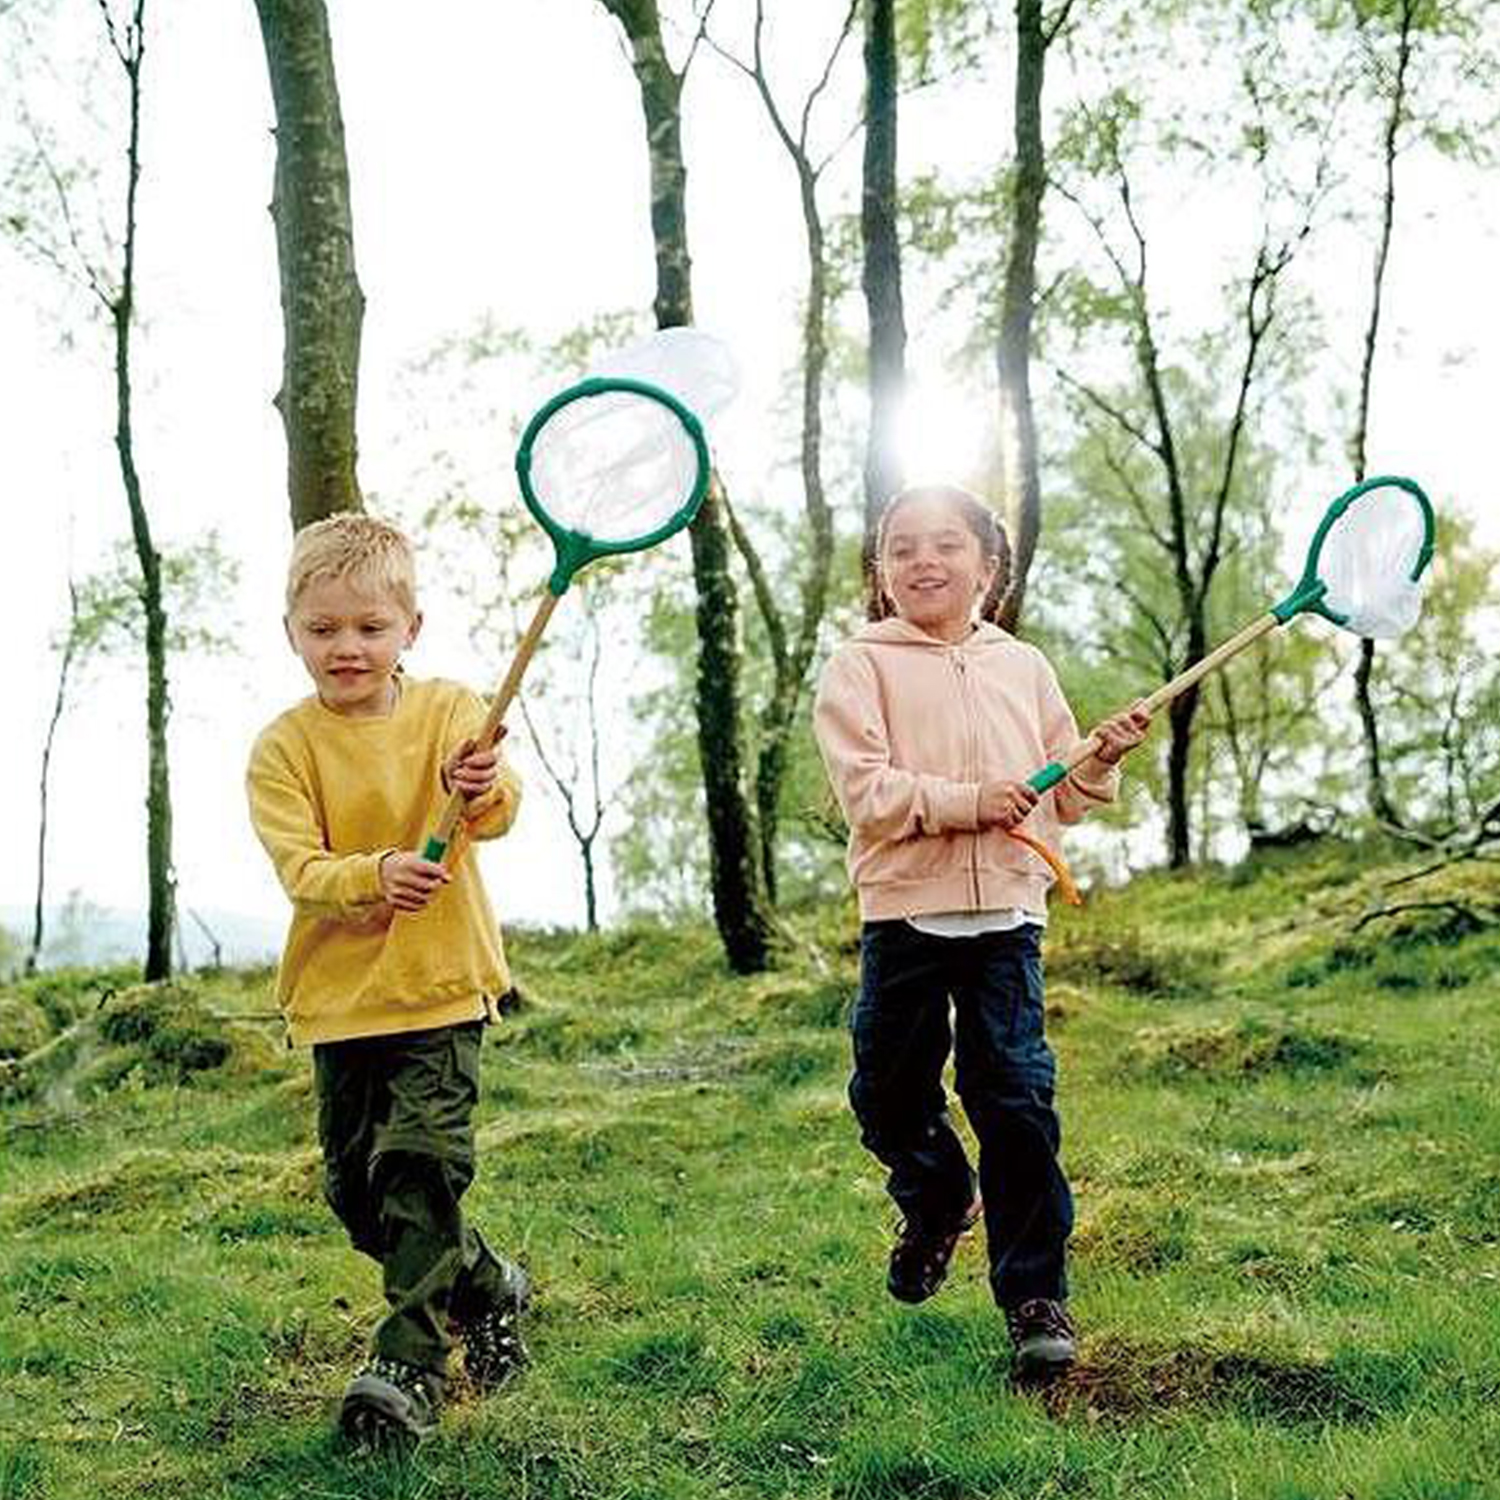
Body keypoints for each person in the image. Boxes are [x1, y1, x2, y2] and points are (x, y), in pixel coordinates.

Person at [812, 484, 1151, 1379]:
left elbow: (1063, 795)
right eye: (903, 548)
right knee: (886, 1094)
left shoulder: (1023, 666)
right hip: (903, 914)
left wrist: (1101, 758)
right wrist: (967, 802)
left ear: (988, 570)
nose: (925, 561)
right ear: (882, 575)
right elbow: (868, 795)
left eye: (947, 546)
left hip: (1007, 916)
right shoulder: (860, 666)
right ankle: (936, 1201)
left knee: (1016, 1101)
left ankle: (1037, 1296)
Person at [246, 513, 530, 1446]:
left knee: (420, 1167)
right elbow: (303, 872)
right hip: (338, 1002)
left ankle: (407, 1364)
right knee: (360, 1198)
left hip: (442, 987)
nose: (346, 648)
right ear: (292, 630)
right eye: (322, 629)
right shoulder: (283, 750)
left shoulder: (452, 711)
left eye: (369, 628)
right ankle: (488, 1286)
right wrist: (376, 873)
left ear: (411, 626)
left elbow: (497, 810)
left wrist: (480, 784)